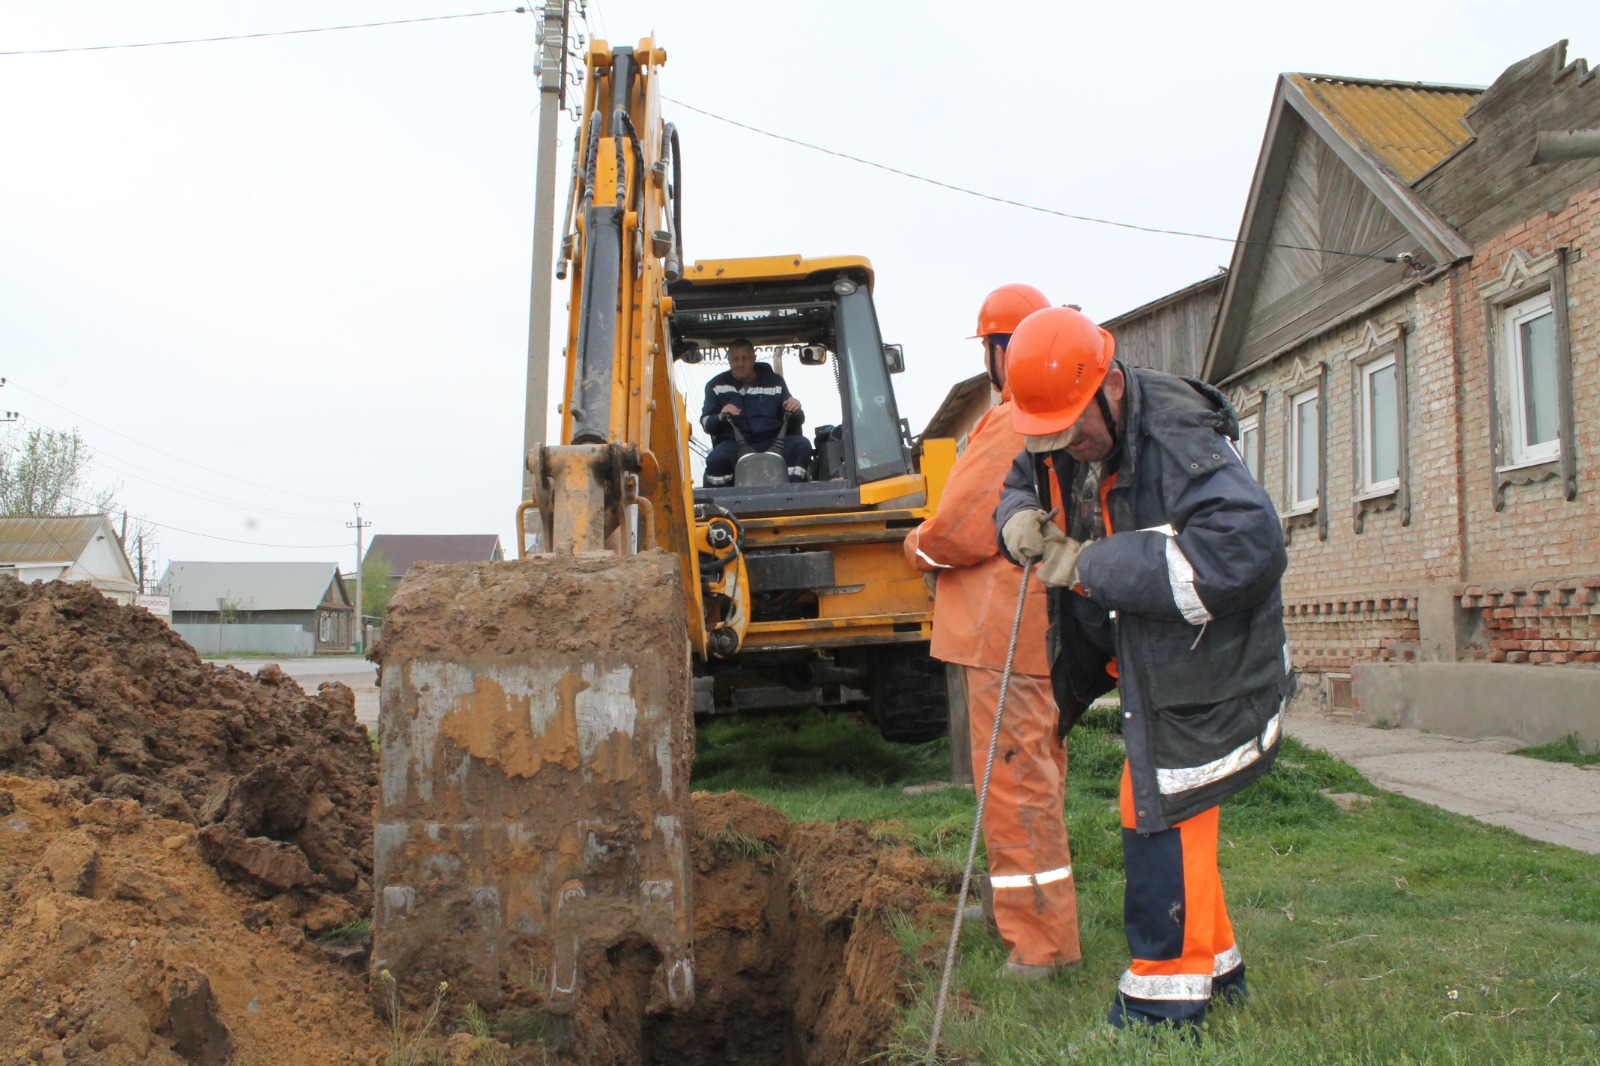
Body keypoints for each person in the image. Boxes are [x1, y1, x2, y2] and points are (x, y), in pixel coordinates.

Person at [994, 305, 1295, 1030]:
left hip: (1206, 669)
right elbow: (1021, 475)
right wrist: (1015, 521)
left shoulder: (1180, 437)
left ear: (1110, 388)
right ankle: (1216, 969)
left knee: (1160, 805)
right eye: (1051, 435)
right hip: (1143, 660)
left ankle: (1160, 1004)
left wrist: (1088, 563)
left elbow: (1244, 551)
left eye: (1074, 428)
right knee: (1173, 807)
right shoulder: (1062, 423)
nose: (1065, 446)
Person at [902, 283, 1082, 980]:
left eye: (989, 349)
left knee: (1016, 785)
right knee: (1023, 780)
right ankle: (1017, 910)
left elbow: (958, 527)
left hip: (1005, 633)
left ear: (1003, 349)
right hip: (1031, 632)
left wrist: (914, 548)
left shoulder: (1013, 422)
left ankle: (1040, 946)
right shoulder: (1041, 419)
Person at [699, 339, 812, 486]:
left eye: (744, 358)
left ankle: (795, 493)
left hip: (773, 441)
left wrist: (796, 409)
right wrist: (720, 416)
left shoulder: (775, 382)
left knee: (802, 445)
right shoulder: (715, 385)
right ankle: (722, 504)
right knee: (716, 459)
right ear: (729, 360)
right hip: (734, 445)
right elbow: (706, 423)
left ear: (754, 359)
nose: (740, 364)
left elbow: (794, 419)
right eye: (735, 359)